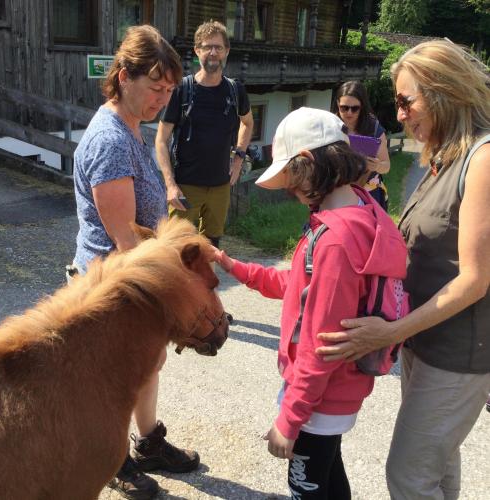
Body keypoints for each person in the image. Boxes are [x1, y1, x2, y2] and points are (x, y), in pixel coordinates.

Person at [317, 40, 490, 499]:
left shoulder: (484, 159)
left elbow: (475, 279)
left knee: (409, 477)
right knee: (437, 469)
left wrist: (388, 333)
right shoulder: (442, 160)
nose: (399, 114)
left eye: (405, 101)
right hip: (425, 343)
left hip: (457, 354)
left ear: (441, 92)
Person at [213, 107, 408, 499]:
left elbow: (322, 343)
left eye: (292, 179)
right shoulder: (361, 206)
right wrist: (232, 266)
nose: (290, 190)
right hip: (339, 395)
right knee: (330, 476)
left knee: (306, 487)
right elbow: (303, 285)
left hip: (319, 402)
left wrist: (290, 418)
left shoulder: (334, 240)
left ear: (307, 162)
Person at [71, 25, 199, 500]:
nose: (161, 100)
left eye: (169, 91)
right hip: (115, 281)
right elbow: (124, 240)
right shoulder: (109, 140)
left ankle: (147, 444)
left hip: (134, 276)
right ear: (123, 76)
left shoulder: (131, 127)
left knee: (147, 365)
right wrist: (170, 296)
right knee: (119, 376)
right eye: (155, 88)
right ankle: (114, 460)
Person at [156, 19, 254, 249]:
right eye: (207, 47)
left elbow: (247, 123)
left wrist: (239, 158)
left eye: (218, 47)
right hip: (185, 186)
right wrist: (170, 184)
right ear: (197, 51)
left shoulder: (235, 90)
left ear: (226, 51)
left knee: (210, 249)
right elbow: (161, 139)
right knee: (177, 250)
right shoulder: (182, 90)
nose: (213, 52)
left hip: (220, 186)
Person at [334, 80, 390, 210]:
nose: (349, 113)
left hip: (369, 194)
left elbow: (386, 166)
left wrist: (377, 165)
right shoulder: (332, 126)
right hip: (339, 191)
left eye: (355, 108)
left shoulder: (373, 128)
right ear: (337, 104)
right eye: (344, 107)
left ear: (362, 106)